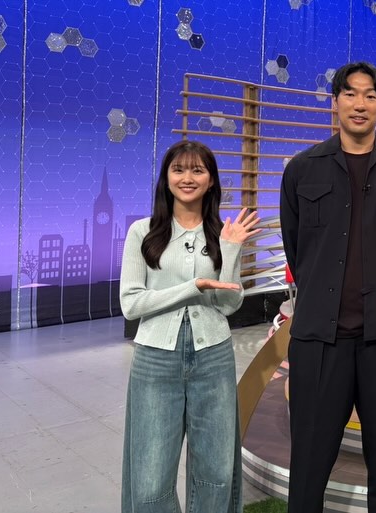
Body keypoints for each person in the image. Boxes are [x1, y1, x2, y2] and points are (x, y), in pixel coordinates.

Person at [279, 61, 376, 513]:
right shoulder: (302, 169)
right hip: (319, 339)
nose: (359, 103)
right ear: (335, 102)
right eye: (350, 93)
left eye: (370, 95)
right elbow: (297, 250)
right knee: (309, 460)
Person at [120, 140, 261, 513]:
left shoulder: (223, 232)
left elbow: (228, 304)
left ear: (211, 180)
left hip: (213, 356)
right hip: (155, 359)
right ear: (166, 178)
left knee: (216, 473)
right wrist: (192, 288)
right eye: (178, 169)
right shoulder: (142, 232)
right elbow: (130, 304)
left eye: (198, 170)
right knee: (150, 482)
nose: (187, 178)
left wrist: (231, 249)